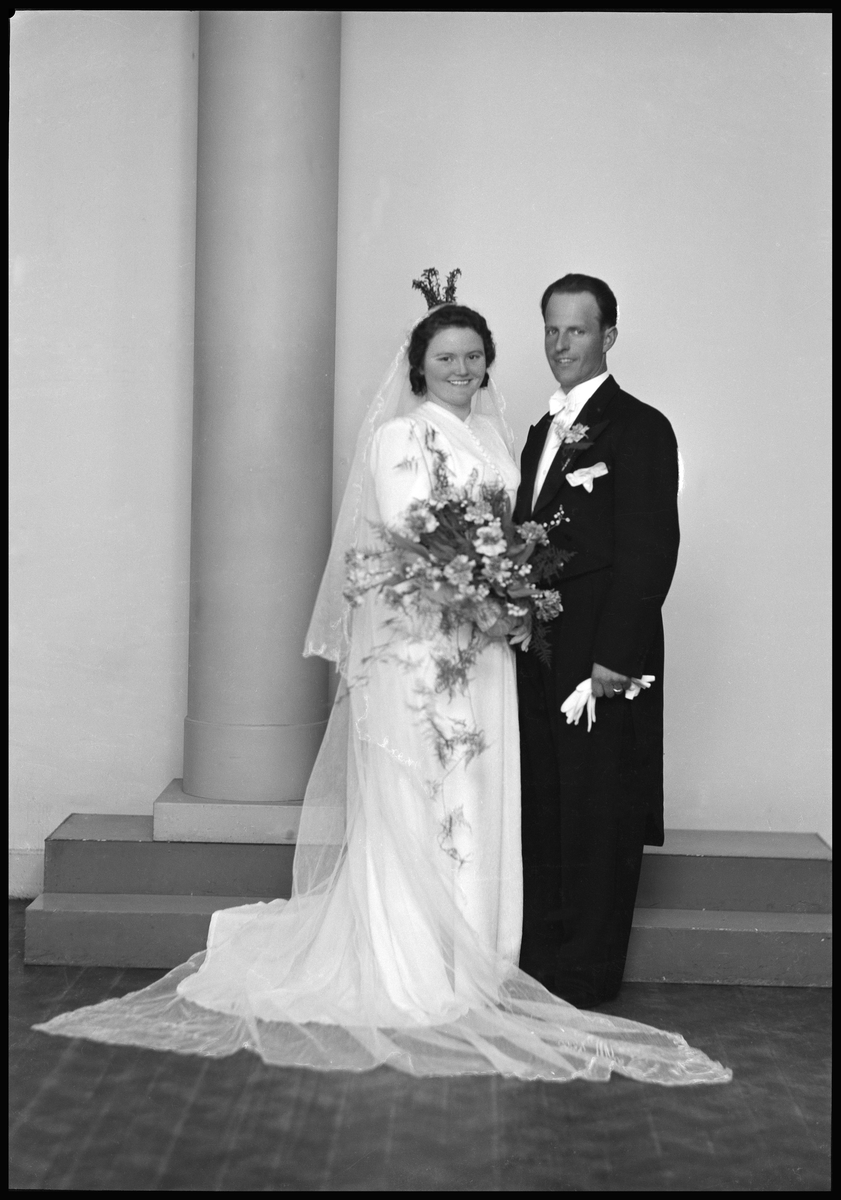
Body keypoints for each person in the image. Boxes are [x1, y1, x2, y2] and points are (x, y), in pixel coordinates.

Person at [33, 281, 728, 1085]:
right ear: (417, 366)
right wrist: (486, 590)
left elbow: (620, 543)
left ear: (601, 335)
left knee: (496, 797)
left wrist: (528, 609)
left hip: (501, 652)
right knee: (437, 794)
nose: (462, 368)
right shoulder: (409, 437)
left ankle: (492, 953)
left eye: (474, 356)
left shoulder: (528, 435)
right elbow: (412, 535)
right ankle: (422, 959)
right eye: (447, 357)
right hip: (434, 648)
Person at [514, 273, 681, 1009]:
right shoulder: (538, 432)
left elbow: (651, 550)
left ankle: (586, 976)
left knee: (600, 812)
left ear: (607, 336)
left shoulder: (641, 427)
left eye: (575, 330)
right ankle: (544, 964)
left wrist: (616, 657)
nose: (560, 344)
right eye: (551, 329)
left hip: (602, 658)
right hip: (541, 651)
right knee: (549, 805)